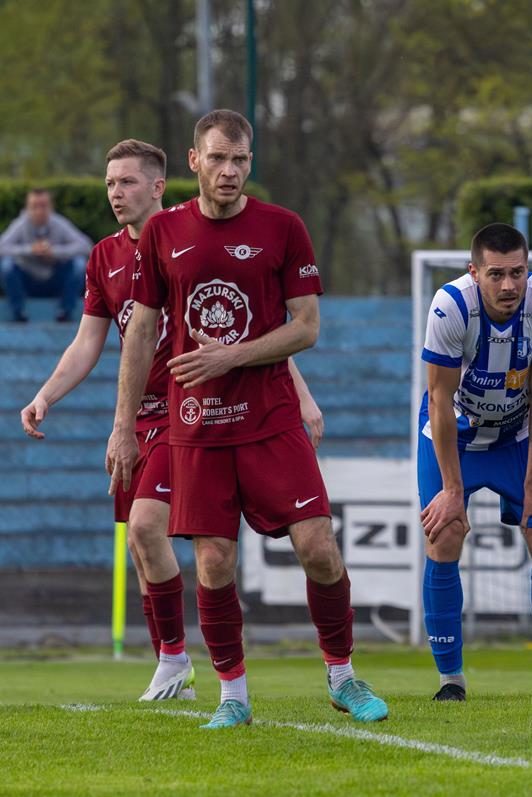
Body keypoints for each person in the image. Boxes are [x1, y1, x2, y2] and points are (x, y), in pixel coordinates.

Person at [107, 109, 386, 729]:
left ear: (250, 162)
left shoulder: (283, 227)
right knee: (214, 562)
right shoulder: (163, 232)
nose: (229, 170)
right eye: (218, 158)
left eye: (239, 160)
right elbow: (142, 331)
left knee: (318, 545)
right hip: (197, 425)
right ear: (194, 161)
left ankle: (343, 676)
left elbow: (306, 327)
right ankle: (233, 695)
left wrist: (232, 355)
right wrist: (124, 426)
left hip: (270, 417)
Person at [19, 140, 327, 701]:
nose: (115, 193)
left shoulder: (193, 237)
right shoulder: (104, 257)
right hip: (139, 418)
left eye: (127, 182)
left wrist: (301, 396)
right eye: (110, 184)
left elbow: (251, 327)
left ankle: (176, 660)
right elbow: (89, 342)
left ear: (159, 186)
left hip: (189, 414)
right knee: (141, 546)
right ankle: (174, 662)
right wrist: (46, 395)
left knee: (146, 527)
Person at [419, 222, 532, 701]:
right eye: (496, 274)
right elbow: (438, 400)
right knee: (445, 533)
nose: (509, 285)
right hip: (456, 436)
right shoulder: (450, 306)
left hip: (517, 437)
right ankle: (450, 681)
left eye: (517, 273)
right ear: (474, 272)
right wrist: (452, 490)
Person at [0, 188, 92, 322]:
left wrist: (54, 252)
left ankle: (66, 311)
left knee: (79, 263)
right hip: (27, 282)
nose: (39, 211)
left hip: (55, 280)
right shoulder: (19, 224)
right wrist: (30, 250)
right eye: (34, 206)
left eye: (43, 206)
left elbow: (86, 246)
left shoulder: (59, 223)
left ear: (51, 207)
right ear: (27, 208)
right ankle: (18, 311)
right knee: (7, 265)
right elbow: (2, 247)